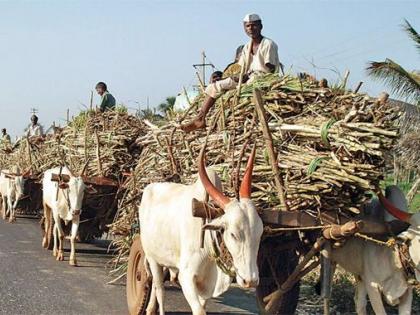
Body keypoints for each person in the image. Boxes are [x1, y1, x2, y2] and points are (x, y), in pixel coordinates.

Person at [181, 14, 280, 132]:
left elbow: (271, 69)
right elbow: (242, 68)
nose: (251, 29)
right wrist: (236, 77)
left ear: (260, 26)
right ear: (244, 28)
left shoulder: (268, 44)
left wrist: (251, 77)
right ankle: (200, 118)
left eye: (254, 25)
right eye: (248, 26)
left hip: (263, 77)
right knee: (215, 86)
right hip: (249, 76)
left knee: (252, 81)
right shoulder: (247, 47)